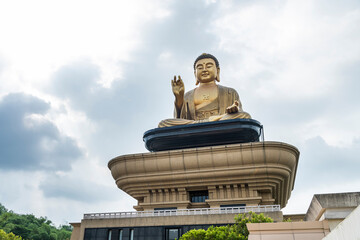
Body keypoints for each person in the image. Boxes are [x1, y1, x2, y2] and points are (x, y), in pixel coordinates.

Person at [158, 53, 251, 128]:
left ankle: (211, 122)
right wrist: (179, 97)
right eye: (200, 67)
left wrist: (234, 109)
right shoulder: (187, 95)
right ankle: (205, 124)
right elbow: (179, 118)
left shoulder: (229, 92)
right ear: (195, 73)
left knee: (244, 116)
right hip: (194, 124)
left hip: (221, 121)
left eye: (209, 66)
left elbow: (239, 111)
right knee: (163, 123)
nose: (204, 69)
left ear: (217, 71)